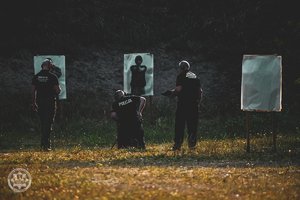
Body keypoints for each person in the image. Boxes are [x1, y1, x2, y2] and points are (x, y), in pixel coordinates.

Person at [171, 60, 202, 150]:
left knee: (180, 125)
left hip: (183, 104)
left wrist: (173, 93)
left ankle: (178, 145)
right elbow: (200, 91)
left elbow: (178, 89)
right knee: (192, 125)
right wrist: (197, 101)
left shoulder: (181, 76)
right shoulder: (195, 76)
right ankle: (192, 145)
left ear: (181, 68)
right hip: (194, 105)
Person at [31, 59, 61, 151]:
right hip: (50, 101)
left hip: (40, 101)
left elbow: (32, 91)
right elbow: (57, 90)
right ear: (50, 66)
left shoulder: (36, 77)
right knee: (48, 123)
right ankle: (44, 144)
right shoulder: (53, 77)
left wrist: (34, 103)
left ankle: (47, 143)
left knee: (43, 123)